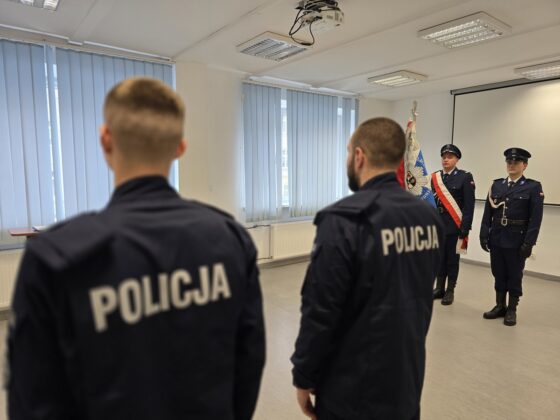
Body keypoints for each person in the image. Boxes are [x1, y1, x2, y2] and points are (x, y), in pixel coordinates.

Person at [5, 77, 265, 419]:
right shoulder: (230, 239)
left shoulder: (52, 259)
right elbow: (249, 360)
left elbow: (33, 399)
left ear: (105, 139)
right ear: (180, 148)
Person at [291, 117, 444, 420]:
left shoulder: (344, 220)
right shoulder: (427, 216)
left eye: (349, 152)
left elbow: (320, 309)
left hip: (352, 388)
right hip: (407, 377)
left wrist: (304, 375)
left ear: (359, 156)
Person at [480, 147, 544, 326]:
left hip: (517, 240)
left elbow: (535, 219)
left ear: (525, 165)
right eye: (509, 161)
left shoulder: (533, 187)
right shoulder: (496, 185)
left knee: (514, 275)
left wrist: (529, 243)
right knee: (498, 272)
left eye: (516, 162)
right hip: (497, 237)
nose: (512, 164)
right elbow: (487, 214)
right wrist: (484, 234)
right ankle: (500, 305)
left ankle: (512, 310)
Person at [430, 144, 475, 305]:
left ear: (457, 159)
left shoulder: (465, 177)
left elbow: (469, 205)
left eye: (449, 157)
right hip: (438, 224)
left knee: (452, 259)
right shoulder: (435, 177)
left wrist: (465, 227)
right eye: (444, 156)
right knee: (439, 258)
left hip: (454, 225)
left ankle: (450, 290)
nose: (446, 159)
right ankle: (439, 288)